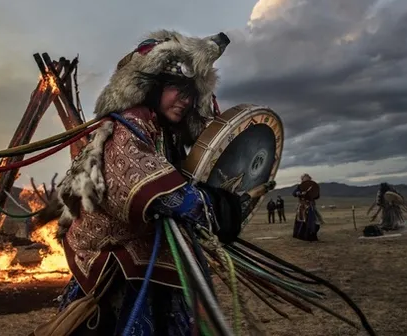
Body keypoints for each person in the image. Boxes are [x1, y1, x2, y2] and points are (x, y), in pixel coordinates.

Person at [30, 30, 242, 335]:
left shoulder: (165, 134)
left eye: (190, 93)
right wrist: (211, 206)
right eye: (176, 88)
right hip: (114, 262)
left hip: (146, 253)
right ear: (153, 87)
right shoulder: (127, 124)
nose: (184, 100)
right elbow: (144, 185)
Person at [292, 174, 322, 242]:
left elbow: (317, 196)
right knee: (303, 222)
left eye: (308, 179)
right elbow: (294, 193)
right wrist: (300, 193)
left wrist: (311, 194)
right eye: (305, 179)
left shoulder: (313, 186)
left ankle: (312, 236)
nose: (306, 181)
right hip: (302, 207)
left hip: (311, 206)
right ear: (302, 180)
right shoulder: (300, 186)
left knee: (315, 222)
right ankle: (303, 236)